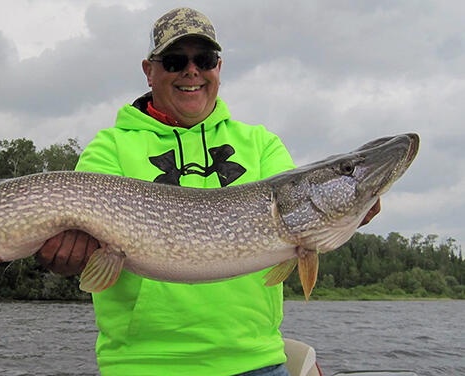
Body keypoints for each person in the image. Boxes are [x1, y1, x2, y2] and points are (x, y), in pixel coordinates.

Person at [37, 7, 380, 376]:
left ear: (219, 68)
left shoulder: (261, 144)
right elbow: (77, 252)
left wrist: (349, 207)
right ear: (149, 71)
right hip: (143, 366)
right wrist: (66, 255)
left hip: (256, 362)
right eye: (174, 61)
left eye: (204, 59)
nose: (191, 71)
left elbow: (303, 216)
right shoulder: (109, 148)